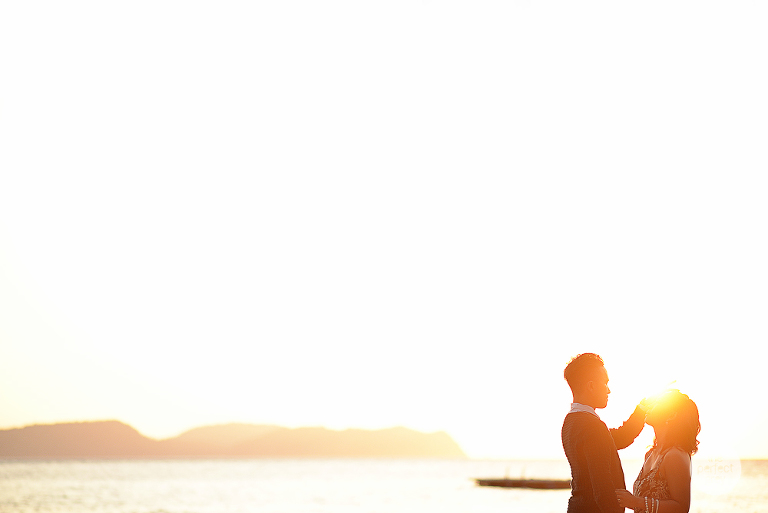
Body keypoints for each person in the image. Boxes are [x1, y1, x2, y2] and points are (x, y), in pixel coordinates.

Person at [562, 353, 650, 513]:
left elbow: (620, 438)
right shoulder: (592, 427)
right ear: (591, 386)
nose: (609, 390)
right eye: (605, 383)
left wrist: (642, 409)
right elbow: (602, 490)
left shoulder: (571, 422)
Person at [615, 390, 700, 513]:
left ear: (671, 415)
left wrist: (634, 501)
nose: (651, 406)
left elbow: (681, 507)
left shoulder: (675, 455)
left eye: (658, 403)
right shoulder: (650, 454)